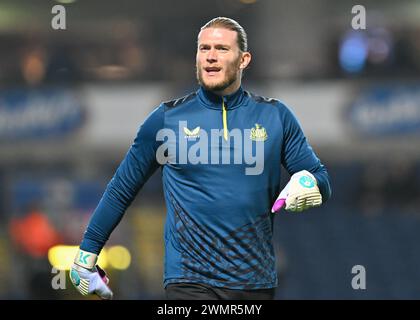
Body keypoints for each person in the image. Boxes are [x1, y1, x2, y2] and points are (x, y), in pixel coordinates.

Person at [69, 17, 332, 300]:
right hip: (189, 282)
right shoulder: (167, 120)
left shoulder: (275, 117)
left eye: (221, 48)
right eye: (204, 48)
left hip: (254, 283)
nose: (210, 56)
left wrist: (309, 182)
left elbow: (320, 179)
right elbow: (122, 188)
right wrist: (87, 252)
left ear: (243, 59)